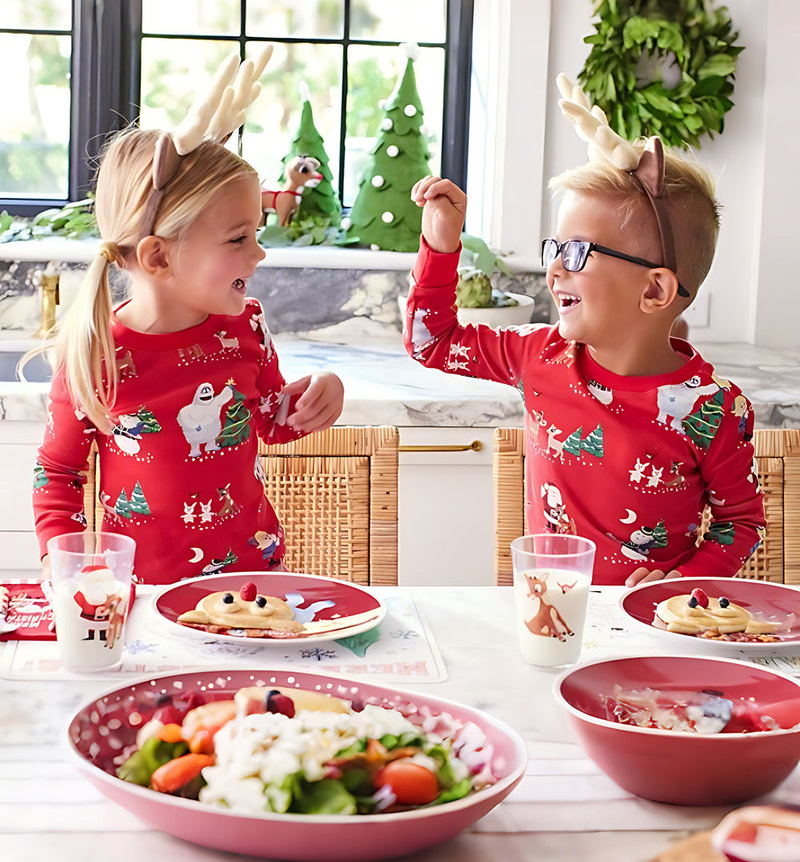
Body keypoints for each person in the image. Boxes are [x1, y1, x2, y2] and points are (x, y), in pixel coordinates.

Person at [402, 76, 765, 586]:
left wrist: (682, 583)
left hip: (650, 631)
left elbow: (741, 524)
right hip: (548, 616)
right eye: (555, 249)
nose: (554, 271)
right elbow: (430, 341)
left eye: (577, 253)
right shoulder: (539, 358)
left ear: (656, 291)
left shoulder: (714, 410)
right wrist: (439, 247)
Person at [32, 50, 344, 585]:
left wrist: (320, 395)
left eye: (258, 233)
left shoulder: (245, 325)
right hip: (139, 599)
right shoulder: (97, 352)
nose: (259, 254)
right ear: (158, 257)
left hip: (251, 585)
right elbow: (57, 473)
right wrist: (68, 570)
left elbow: (266, 418)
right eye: (239, 238)